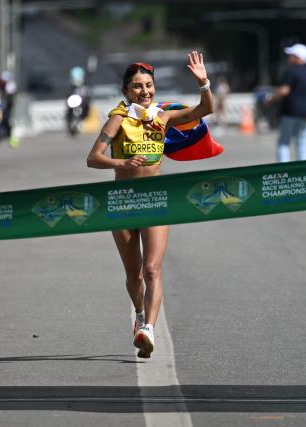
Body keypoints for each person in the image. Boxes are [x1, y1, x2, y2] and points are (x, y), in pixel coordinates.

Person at [86, 51, 214, 358]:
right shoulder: (119, 119)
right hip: (122, 202)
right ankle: (140, 316)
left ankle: (148, 330)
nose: (145, 91)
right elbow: (93, 159)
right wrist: (124, 162)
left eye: (148, 85)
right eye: (137, 87)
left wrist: (203, 82)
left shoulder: (163, 116)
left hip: (157, 199)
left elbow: (205, 109)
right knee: (135, 275)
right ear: (126, 91)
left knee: (153, 269)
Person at [265, 43, 306, 162]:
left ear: (298, 57)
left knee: (284, 142)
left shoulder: (291, 72)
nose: (288, 58)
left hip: (290, 113)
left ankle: (284, 171)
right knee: (303, 143)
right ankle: (303, 172)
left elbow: (284, 90)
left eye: (291, 55)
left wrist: (271, 99)